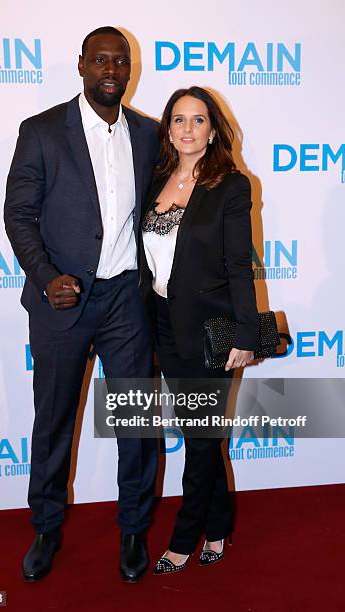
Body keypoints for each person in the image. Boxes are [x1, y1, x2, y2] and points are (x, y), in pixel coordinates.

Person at [4, 26, 159, 583]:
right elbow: (18, 215)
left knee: (137, 421)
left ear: (130, 69)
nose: (111, 70)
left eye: (120, 61)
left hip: (124, 298)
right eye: (100, 60)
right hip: (61, 299)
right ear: (81, 65)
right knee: (53, 422)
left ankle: (134, 531)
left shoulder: (148, 135)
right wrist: (46, 278)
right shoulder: (42, 131)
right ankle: (46, 527)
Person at [139, 86, 259, 574]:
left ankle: (184, 537)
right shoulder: (155, 179)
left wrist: (246, 336)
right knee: (200, 434)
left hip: (213, 330)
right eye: (179, 120)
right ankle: (219, 524)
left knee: (202, 440)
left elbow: (238, 264)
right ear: (168, 129)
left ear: (213, 131)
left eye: (198, 120)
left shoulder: (231, 185)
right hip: (164, 326)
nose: (188, 129)